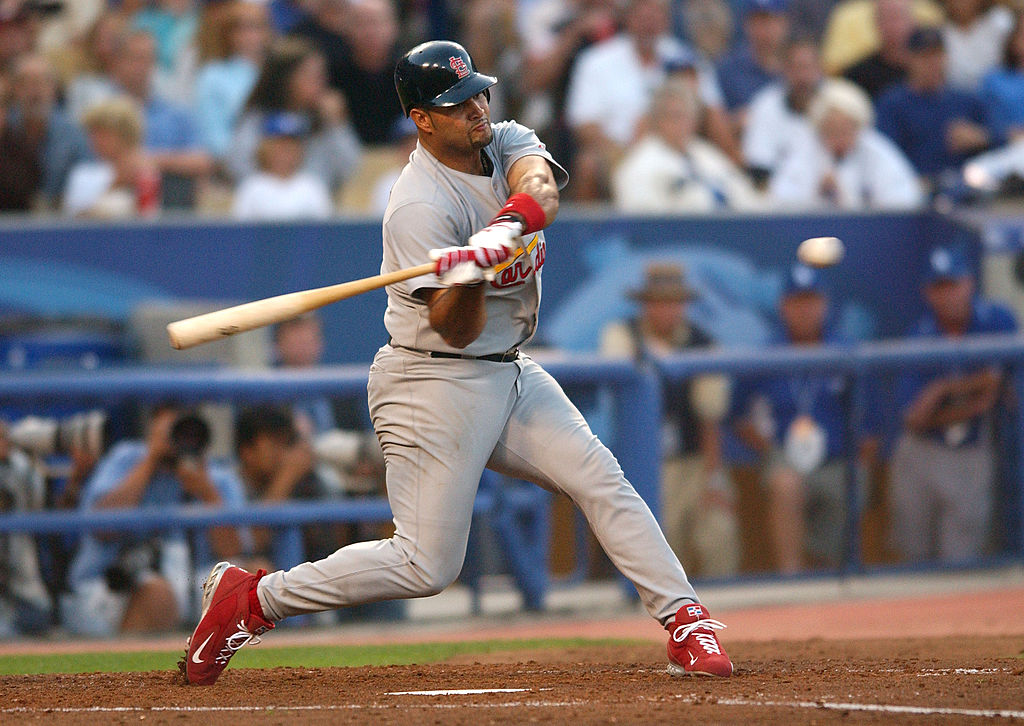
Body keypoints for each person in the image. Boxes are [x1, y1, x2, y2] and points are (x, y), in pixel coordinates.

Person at [182, 39, 732, 686]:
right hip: (432, 378)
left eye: (477, 93)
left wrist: (504, 228)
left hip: (509, 369)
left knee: (599, 477)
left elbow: (541, 192)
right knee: (425, 566)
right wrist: (470, 275)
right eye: (455, 103)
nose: (476, 109)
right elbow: (455, 328)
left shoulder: (504, 139)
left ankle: (685, 620)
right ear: (421, 119)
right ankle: (253, 599)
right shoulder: (418, 206)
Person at [731, 264, 877, 573]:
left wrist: (861, 465)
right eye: (797, 301)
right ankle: (792, 577)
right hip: (786, 456)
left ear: (825, 303)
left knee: (848, 492)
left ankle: (834, 579)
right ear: (783, 306)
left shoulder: (845, 351)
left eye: (811, 300)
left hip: (837, 459)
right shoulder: (767, 352)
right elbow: (736, 414)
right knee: (786, 484)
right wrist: (768, 449)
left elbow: (870, 422)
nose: (804, 310)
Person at [600, 262, 740, 578]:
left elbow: (711, 417)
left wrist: (714, 478)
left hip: (694, 461)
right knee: (658, 547)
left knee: (719, 532)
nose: (665, 310)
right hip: (639, 464)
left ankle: (724, 605)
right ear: (644, 303)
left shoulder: (704, 343)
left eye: (673, 302)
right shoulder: (622, 334)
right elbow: (616, 382)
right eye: (657, 302)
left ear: (684, 305)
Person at [63, 403, 245, 636]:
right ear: (152, 429)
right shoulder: (126, 458)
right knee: (158, 594)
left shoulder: (215, 476)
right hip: (112, 583)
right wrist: (150, 461)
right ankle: (129, 661)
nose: (176, 437)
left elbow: (233, 551)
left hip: (190, 583)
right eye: (170, 428)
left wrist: (207, 493)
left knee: (249, 579)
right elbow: (102, 528)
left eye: (184, 430)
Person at [889, 246, 1018, 563]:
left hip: (972, 450)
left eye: (953, 284)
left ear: (969, 283)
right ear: (927, 293)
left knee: (960, 559)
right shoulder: (919, 335)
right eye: (939, 287)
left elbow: (1006, 389)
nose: (947, 295)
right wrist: (954, 390)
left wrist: (944, 397)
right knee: (913, 555)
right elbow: (914, 418)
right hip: (923, 450)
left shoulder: (996, 320)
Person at [769, 78, 923, 210]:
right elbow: (780, 201)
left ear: (858, 126)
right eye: (831, 130)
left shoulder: (877, 151)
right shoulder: (805, 152)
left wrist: (855, 197)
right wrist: (816, 193)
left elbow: (905, 199)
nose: (839, 138)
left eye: (845, 130)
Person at [611, 79, 762, 213]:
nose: (682, 123)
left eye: (687, 116)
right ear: (656, 119)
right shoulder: (638, 166)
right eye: (674, 116)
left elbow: (745, 196)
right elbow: (647, 223)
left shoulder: (706, 153)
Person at [875, 25, 993, 184]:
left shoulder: (965, 100)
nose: (932, 63)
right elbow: (885, 153)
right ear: (909, 59)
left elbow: (1000, 140)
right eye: (924, 57)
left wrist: (981, 137)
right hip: (915, 187)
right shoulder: (893, 104)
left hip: (965, 185)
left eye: (937, 55)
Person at [742, 35, 824, 185]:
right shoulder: (765, 106)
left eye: (808, 67)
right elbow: (759, 169)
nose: (802, 77)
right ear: (784, 70)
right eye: (796, 68)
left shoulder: (840, 105)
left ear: (820, 69)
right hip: (779, 197)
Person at [63, 95, 162, 219]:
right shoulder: (84, 175)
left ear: (124, 133)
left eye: (102, 134)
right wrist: (117, 184)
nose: (95, 141)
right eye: (92, 134)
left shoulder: (149, 175)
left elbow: (150, 217)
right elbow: (73, 221)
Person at [0, 419, 52, 637]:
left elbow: (37, 504)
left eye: (3, 436)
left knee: (39, 617)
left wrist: (31, 456)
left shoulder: (20, 465)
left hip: (23, 588)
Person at [231, 111, 333, 221]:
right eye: (279, 145)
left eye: (291, 146)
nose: (284, 152)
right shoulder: (252, 187)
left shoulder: (312, 186)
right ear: (266, 149)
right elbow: (240, 228)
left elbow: (325, 228)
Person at [715, 0, 791, 122]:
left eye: (771, 20)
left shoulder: (798, 66)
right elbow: (717, 120)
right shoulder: (728, 70)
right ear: (747, 24)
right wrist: (736, 121)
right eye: (758, 22)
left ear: (784, 23)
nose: (765, 30)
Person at [843, 0, 918, 99]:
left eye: (898, 18)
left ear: (913, 21)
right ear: (876, 23)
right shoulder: (857, 76)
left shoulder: (928, 70)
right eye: (887, 19)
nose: (894, 26)